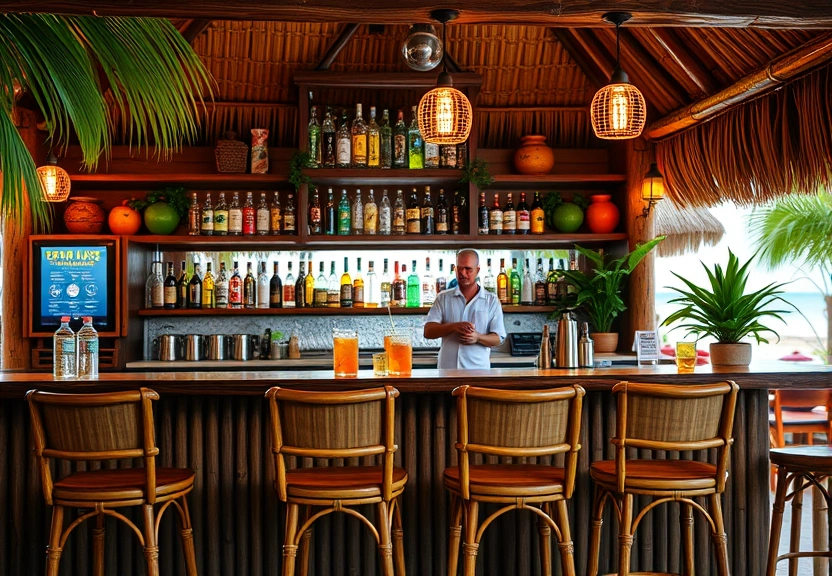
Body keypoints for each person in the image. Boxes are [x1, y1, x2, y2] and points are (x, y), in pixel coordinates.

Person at [424, 249, 506, 369]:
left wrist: (478, 337)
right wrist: (453, 327)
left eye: (468, 269)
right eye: (459, 269)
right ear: (455, 269)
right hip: (447, 372)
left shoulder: (491, 300)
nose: (463, 273)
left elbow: (498, 338)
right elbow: (428, 331)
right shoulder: (443, 298)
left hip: (478, 373)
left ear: (477, 270)